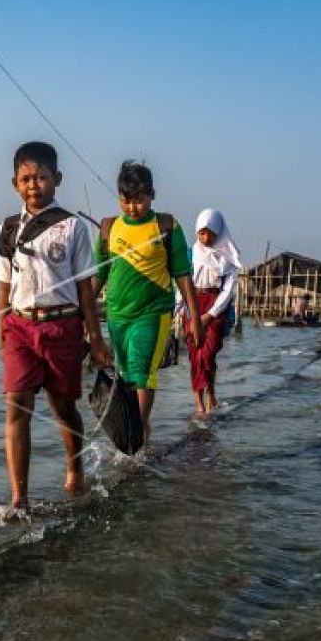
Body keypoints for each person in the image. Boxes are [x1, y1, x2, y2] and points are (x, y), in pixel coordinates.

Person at [0, 141, 111, 512]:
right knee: (17, 405)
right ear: (15, 183)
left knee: (62, 406)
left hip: (62, 327)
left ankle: (74, 468)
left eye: (42, 178)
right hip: (19, 327)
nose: (34, 185)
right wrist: (2, 325)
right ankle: (19, 497)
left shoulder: (72, 227)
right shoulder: (9, 228)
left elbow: (84, 289)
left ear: (56, 179)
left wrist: (95, 339)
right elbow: (3, 282)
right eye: (26, 179)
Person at [94, 161, 202, 445]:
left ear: (152, 195)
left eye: (139, 200)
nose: (132, 208)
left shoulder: (165, 226)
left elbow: (182, 275)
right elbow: (99, 275)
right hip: (117, 315)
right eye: (126, 201)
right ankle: (130, 437)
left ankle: (137, 436)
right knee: (125, 376)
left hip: (152, 314)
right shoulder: (109, 228)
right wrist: (84, 315)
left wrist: (196, 319)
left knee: (142, 372)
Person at [188, 208, 242, 414]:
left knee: (207, 354)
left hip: (215, 303)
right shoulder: (191, 252)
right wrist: (180, 308)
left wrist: (211, 314)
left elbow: (228, 289)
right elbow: (183, 282)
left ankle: (211, 393)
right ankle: (198, 401)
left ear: (219, 233)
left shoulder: (228, 257)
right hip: (193, 302)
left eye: (211, 233)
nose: (206, 238)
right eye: (202, 233)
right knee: (195, 356)